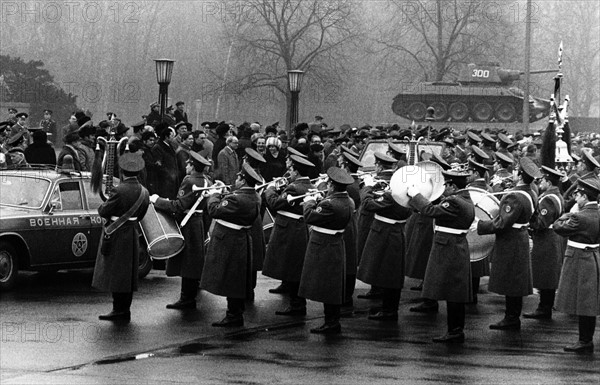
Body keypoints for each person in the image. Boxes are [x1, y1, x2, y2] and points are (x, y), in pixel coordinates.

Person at [407, 170, 475, 342]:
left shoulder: (454, 201)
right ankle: (455, 329)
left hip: (448, 248)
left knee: (453, 293)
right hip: (455, 246)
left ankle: (455, 331)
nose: (444, 190)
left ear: (453, 186)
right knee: (455, 292)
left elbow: (430, 210)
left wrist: (415, 194)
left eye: (446, 186)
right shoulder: (465, 199)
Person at [477, 157, 541, 330]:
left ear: (519, 175)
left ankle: (511, 318)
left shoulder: (514, 196)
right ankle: (512, 316)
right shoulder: (532, 193)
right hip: (520, 237)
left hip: (511, 240)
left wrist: (480, 225)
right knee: (516, 279)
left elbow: (502, 223)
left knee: (511, 279)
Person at [200, 163, 262, 327]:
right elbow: (233, 203)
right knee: (237, 279)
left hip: (231, 241)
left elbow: (214, 210)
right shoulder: (254, 196)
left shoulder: (237, 198)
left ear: (242, 179)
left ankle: (233, 315)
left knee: (231, 278)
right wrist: (224, 192)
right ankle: (235, 312)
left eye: (238, 177)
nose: (236, 179)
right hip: (241, 239)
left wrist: (213, 194)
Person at [92, 152, 150, 322]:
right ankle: (125, 309)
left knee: (117, 273)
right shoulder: (144, 191)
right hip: (131, 232)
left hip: (117, 233)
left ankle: (118, 309)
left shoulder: (119, 190)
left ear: (122, 172)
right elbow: (141, 215)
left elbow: (103, 211)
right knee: (128, 273)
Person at [152, 151, 212, 310]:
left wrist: (158, 200)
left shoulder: (189, 180)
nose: (186, 166)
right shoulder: (207, 180)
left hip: (188, 223)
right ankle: (189, 294)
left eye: (188, 163)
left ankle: (187, 298)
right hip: (198, 222)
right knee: (193, 260)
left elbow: (179, 206)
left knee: (187, 261)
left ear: (192, 166)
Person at [298, 167, 355, 334]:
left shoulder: (330, 204)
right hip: (335, 244)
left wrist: (309, 200)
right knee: (332, 284)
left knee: (327, 285)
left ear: (331, 185)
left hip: (324, 245)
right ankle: (331, 320)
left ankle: (331, 322)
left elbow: (309, 216)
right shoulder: (347, 201)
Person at [358, 162, 413, 321]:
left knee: (388, 273)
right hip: (395, 234)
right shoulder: (407, 195)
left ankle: (389, 310)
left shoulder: (392, 196)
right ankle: (388, 308)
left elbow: (368, 204)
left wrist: (367, 187)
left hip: (386, 234)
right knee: (391, 273)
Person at [262, 155, 316, 315]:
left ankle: (297, 304)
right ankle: (290, 291)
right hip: (297, 227)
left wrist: (270, 189)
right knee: (292, 264)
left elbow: (275, 204)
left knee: (292, 265)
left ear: (296, 171)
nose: (288, 172)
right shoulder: (308, 184)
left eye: (290, 169)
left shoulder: (294, 188)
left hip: (290, 229)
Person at [553, 178, 600, 353]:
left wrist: (566, 215)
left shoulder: (579, 217)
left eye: (577, 195)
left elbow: (559, 227)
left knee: (583, 303)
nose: (575, 198)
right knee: (589, 302)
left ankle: (585, 341)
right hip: (593, 256)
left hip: (579, 258)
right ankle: (585, 339)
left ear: (584, 197)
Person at [524, 166, 565, 320]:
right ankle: (544, 306)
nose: (540, 183)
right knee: (547, 274)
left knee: (545, 274)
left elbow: (541, 222)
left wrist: (530, 217)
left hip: (546, 238)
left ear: (548, 181)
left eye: (542, 181)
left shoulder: (548, 199)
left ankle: (544, 307)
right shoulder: (557, 196)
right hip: (552, 237)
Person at [151, 125, 180, 199]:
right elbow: (159, 165)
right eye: (172, 136)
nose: (173, 137)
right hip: (164, 180)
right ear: (166, 137)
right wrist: (169, 174)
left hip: (172, 179)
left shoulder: (169, 145)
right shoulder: (158, 147)